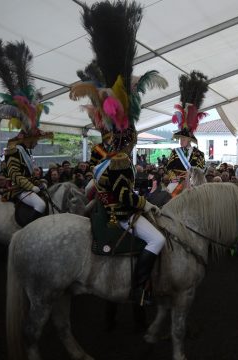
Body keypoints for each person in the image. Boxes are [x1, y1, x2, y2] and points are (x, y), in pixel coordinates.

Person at [70, 2, 168, 305]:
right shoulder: (121, 159)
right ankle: (140, 287)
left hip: (110, 204)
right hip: (121, 212)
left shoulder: (112, 154)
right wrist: (145, 201)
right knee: (159, 238)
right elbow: (125, 196)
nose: (131, 141)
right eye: (131, 137)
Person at [0, 39, 54, 222]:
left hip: (28, 185)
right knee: (41, 205)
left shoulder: (24, 148)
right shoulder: (13, 148)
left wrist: (38, 182)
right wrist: (31, 186)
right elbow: (14, 174)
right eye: (35, 139)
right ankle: (27, 233)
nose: (36, 142)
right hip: (18, 188)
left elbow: (28, 171)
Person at [165, 71, 208, 197]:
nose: (180, 141)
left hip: (193, 184)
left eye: (182, 139)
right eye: (180, 139)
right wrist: (175, 178)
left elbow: (200, 170)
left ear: (189, 139)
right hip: (176, 183)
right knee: (167, 197)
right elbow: (169, 168)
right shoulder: (174, 152)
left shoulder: (199, 154)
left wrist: (190, 177)